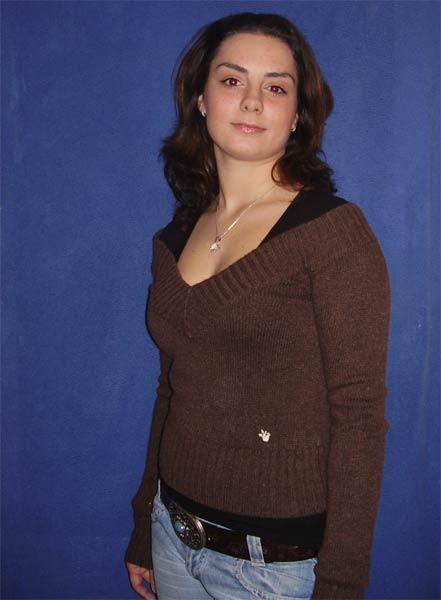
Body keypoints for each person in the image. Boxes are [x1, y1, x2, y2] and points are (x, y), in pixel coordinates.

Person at [125, 11, 391, 600]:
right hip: (173, 533)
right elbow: (171, 390)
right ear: (200, 100)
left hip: (271, 569)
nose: (251, 101)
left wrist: (341, 584)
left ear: (297, 114)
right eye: (231, 80)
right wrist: (146, 523)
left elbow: (360, 416)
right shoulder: (174, 239)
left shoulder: (333, 234)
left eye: (275, 87)